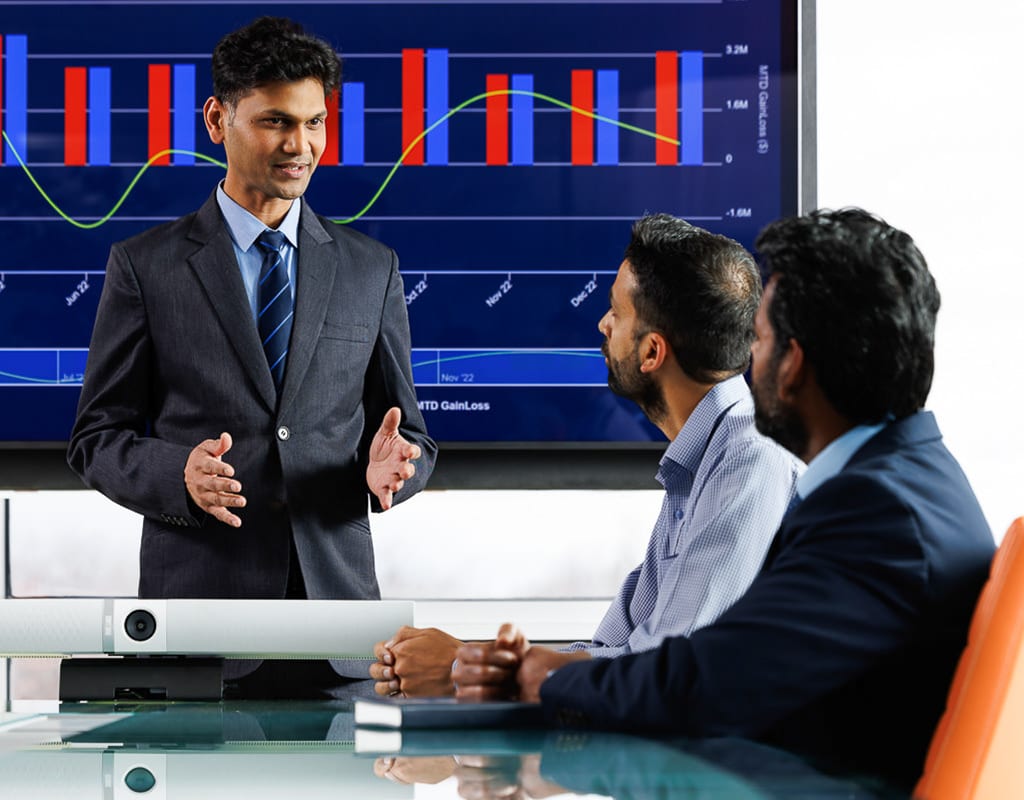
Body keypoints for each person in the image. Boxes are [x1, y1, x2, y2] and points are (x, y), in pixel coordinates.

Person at [452, 208, 996, 789]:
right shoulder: (912, 481)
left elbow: (700, 684)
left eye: (758, 342)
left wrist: (541, 678)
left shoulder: (875, 513)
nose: (742, 365)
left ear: (792, 366)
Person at [67, 18, 436, 690]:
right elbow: (96, 438)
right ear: (217, 118)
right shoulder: (146, 268)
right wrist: (177, 472)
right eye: (275, 122)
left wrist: (393, 471)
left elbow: (407, 435)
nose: (302, 146)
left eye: (316, 122)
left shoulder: (370, 269)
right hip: (202, 631)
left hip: (341, 636)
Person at [370, 213, 802, 697]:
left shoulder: (749, 464)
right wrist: (478, 666)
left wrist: (466, 669)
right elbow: (615, 646)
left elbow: (663, 676)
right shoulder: (700, 462)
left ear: (652, 353)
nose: (603, 323)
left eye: (617, 313)